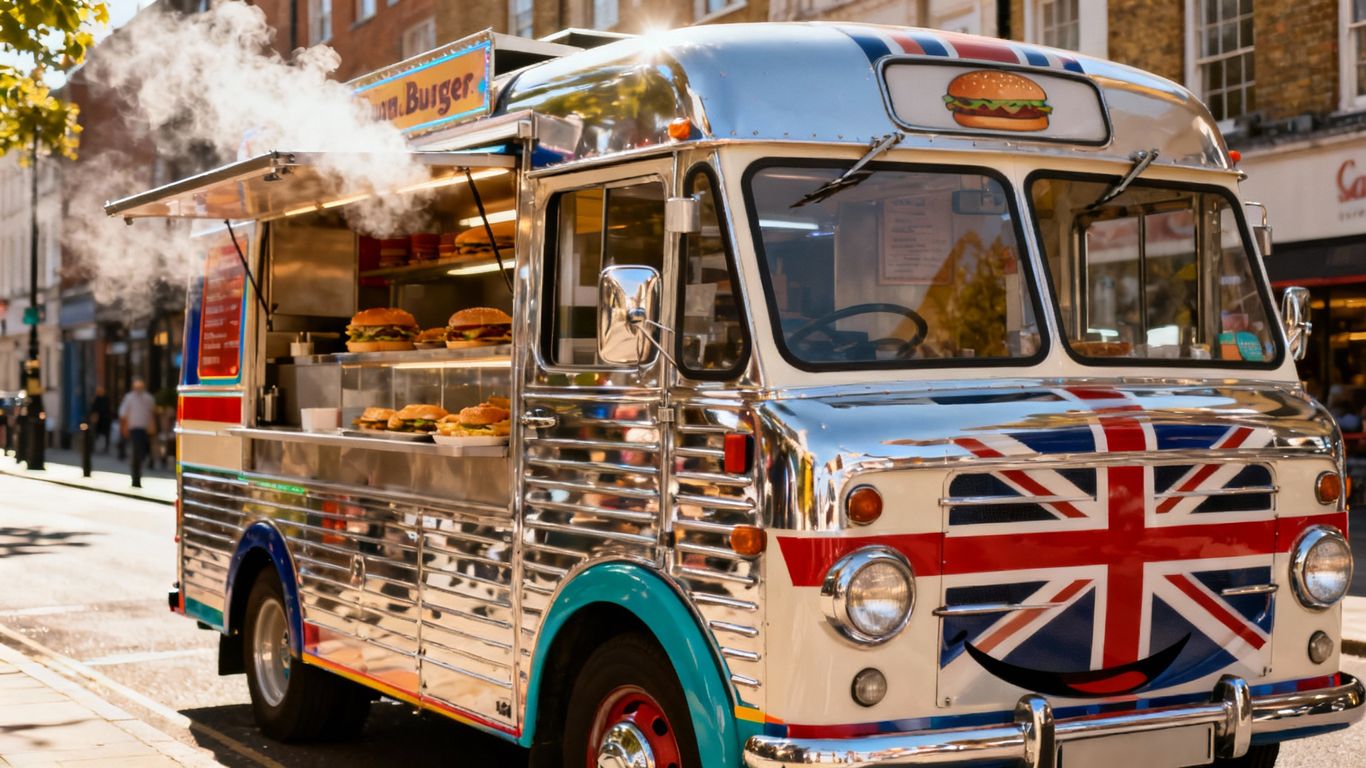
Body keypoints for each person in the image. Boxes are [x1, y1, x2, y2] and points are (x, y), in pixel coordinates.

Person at [118, 379, 156, 488]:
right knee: (136, 453)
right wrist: (124, 428)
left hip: (145, 429)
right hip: (134, 429)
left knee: (142, 453)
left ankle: (138, 476)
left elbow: (151, 414)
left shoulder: (148, 398)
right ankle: (136, 478)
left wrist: (153, 427)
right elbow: (123, 414)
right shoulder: (129, 398)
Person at [89, 387, 112, 453]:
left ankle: (104, 447)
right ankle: (98, 447)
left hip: (103, 419)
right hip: (100, 419)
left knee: (101, 434)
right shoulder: (99, 398)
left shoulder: (102, 399)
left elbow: (94, 408)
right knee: (98, 433)